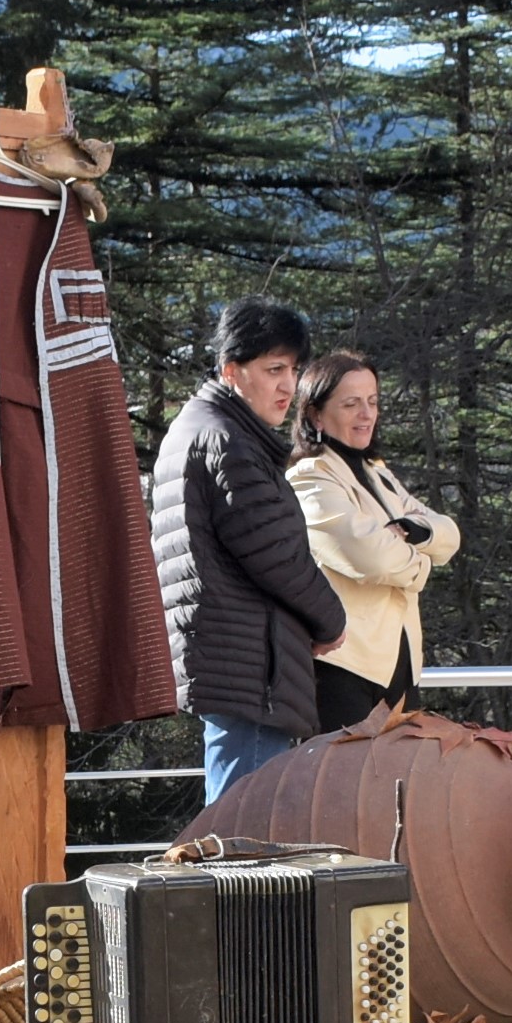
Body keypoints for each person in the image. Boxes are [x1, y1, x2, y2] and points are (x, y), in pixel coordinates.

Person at [152, 296, 345, 801]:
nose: (288, 386)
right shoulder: (228, 442)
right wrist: (332, 621)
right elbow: (275, 554)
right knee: (246, 825)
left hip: (235, 659)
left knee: (234, 817)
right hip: (252, 668)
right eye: (274, 369)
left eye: (294, 370)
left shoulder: (203, 427)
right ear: (232, 370)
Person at [286, 351, 458, 729]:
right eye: (351, 404)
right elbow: (372, 558)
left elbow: (449, 534)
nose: (366, 414)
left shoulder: (378, 474)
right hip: (343, 667)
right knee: (347, 770)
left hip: (401, 665)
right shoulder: (309, 478)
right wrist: (422, 562)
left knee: (399, 770)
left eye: (373, 401)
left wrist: (413, 533)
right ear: (315, 415)